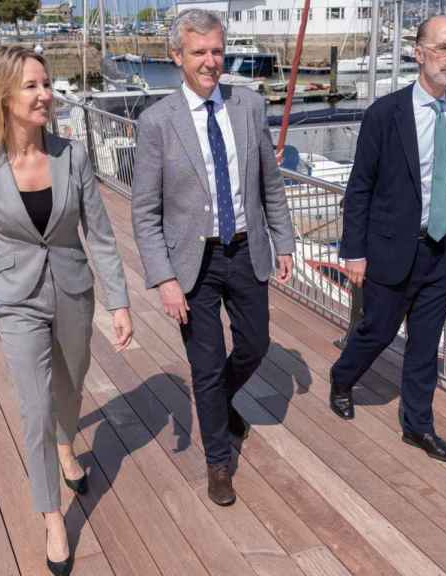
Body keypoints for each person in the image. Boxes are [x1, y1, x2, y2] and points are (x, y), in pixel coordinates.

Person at [0, 46, 133, 576]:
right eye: (33, 86)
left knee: (70, 386)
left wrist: (120, 301)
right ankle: (52, 517)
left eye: (47, 83)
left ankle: (68, 442)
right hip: (15, 298)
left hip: (73, 290)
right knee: (35, 406)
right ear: (3, 96)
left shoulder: (72, 155)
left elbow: (102, 238)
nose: (46, 95)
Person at [131, 9, 295, 507]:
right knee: (204, 366)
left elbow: (270, 183)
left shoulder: (247, 105)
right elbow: (145, 211)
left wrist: (283, 241)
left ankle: (220, 405)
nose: (210, 62)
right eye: (199, 52)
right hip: (191, 262)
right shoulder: (157, 122)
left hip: (246, 250)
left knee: (255, 344)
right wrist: (163, 279)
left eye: (217, 51)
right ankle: (218, 463)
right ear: (177, 57)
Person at [328, 15, 446, 464]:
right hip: (390, 251)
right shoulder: (385, 114)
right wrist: (353, 251)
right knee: (376, 331)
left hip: (439, 254)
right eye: (444, 48)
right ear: (420, 52)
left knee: (425, 348)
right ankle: (342, 377)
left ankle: (418, 427)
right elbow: (360, 188)